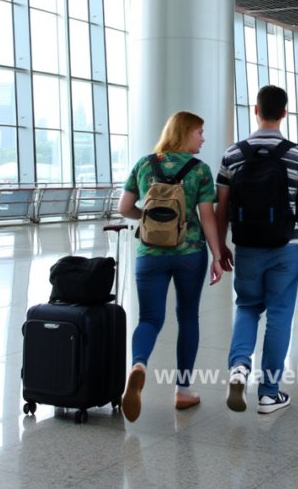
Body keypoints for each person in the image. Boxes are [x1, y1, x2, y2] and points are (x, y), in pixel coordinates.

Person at [215, 85, 298, 415]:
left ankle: (239, 368)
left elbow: (222, 208)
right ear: (285, 113)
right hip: (285, 246)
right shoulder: (297, 154)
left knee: (247, 307)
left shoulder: (233, 154)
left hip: (246, 245)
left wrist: (220, 246)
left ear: (255, 110)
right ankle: (268, 394)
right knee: (279, 315)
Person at [118, 111, 223, 422]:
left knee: (149, 318)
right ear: (186, 132)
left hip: (149, 254)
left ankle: (138, 365)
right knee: (188, 317)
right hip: (190, 253)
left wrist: (150, 222)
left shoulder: (144, 164)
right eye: (200, 132)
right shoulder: (200, 170)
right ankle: (182, 391)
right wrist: (217, 256)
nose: (203, 138)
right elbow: (207, 218)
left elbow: (125, 208)